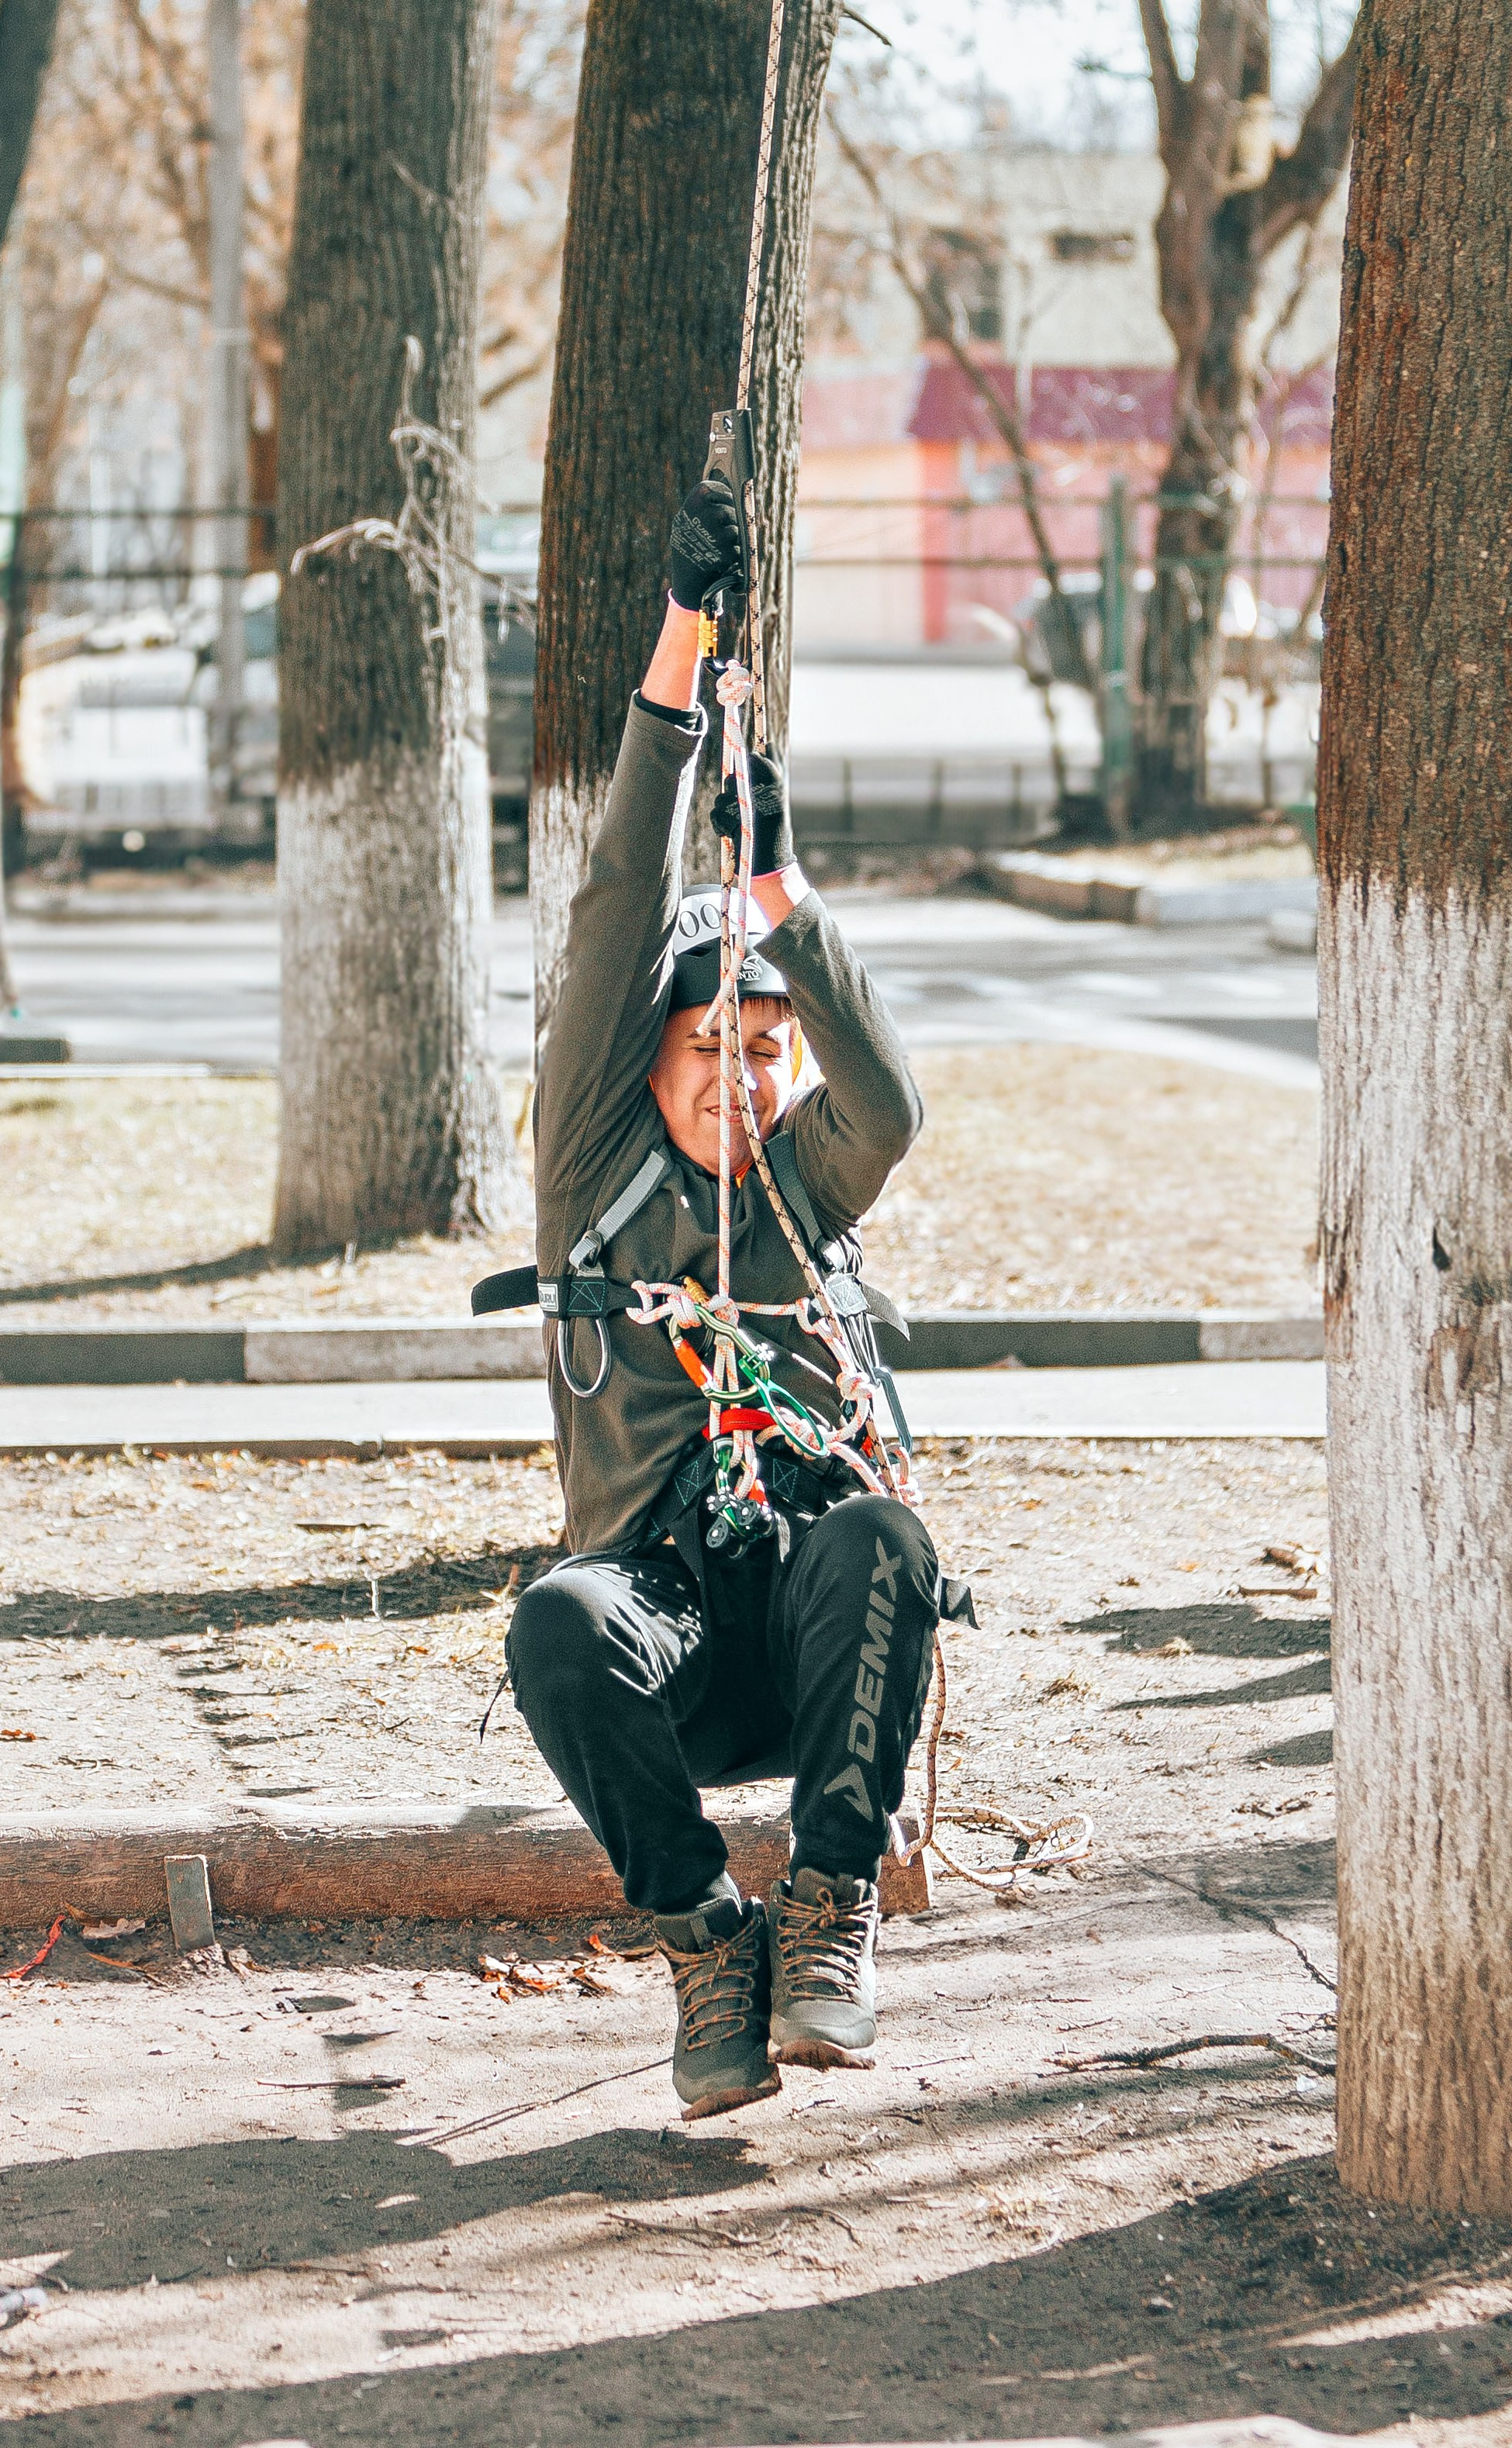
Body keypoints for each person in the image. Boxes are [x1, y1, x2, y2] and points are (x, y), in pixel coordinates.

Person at [501, 476, 955, 2120]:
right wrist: (686, 644)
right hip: (667, 1637)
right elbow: (622, 892)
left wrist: (786, 903)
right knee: (555, 1622)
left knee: (887, 1536)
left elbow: (887, 1101)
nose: (744, 1074)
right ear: (652, 1057)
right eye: (712, 1043)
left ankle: (830, 1905)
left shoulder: (803, 1178)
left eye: (767, 1048)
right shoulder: (594, 1170)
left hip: (817, 1630)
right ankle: (709, 1934)